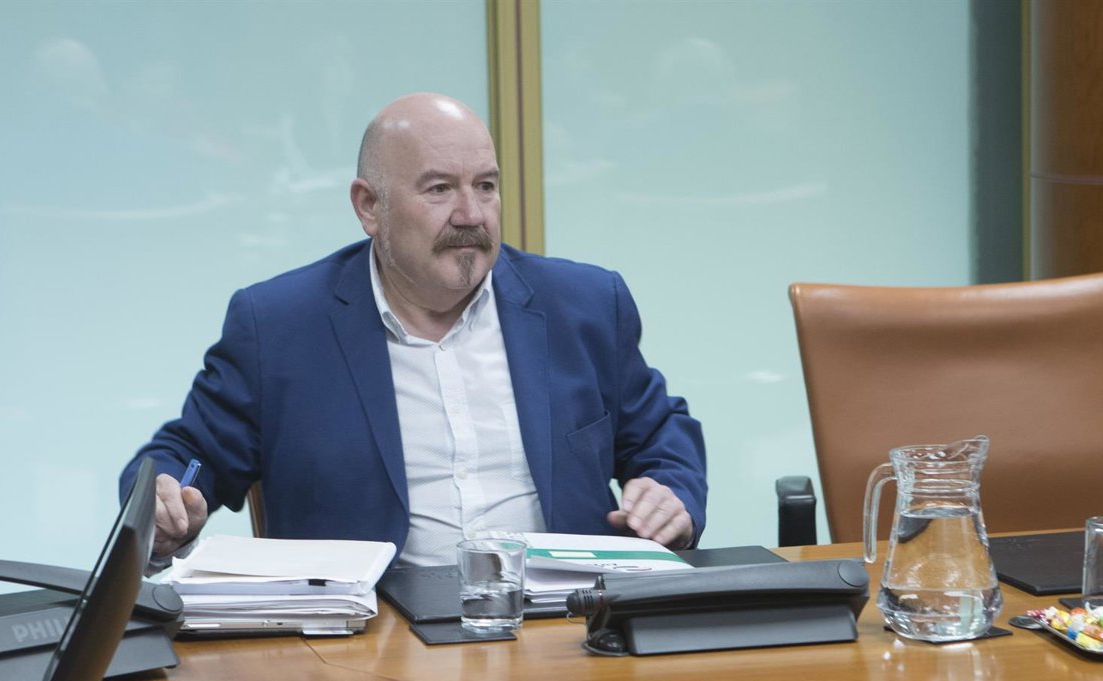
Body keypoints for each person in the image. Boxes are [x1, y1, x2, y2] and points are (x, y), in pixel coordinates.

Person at [120, 92, 707, 568]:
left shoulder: (583, 305)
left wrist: (671, 493)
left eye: (485, 186)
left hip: (566, 627)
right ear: (369, 207)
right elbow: (185, 458)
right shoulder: (278, 327)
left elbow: (660, 434)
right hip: (368, 638)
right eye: (439, 189)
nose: (471, 215)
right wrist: (166, 500)